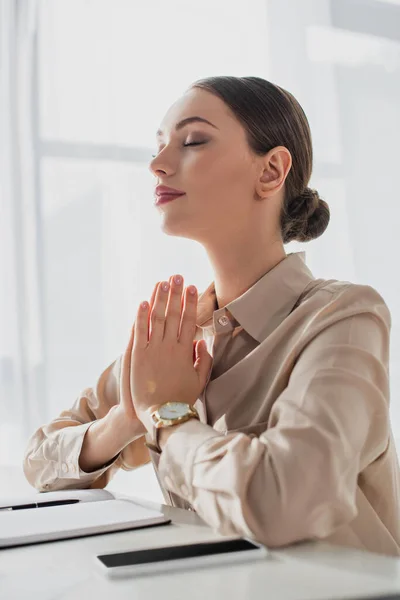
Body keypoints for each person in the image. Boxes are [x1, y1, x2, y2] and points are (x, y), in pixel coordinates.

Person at [23, 76, 400, 556]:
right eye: (159, 146)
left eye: (193, 141)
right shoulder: (174, 338)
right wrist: (128, 419)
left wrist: (169, 417)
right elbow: (38, 460)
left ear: (270, 171)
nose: (158, 165)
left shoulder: (343, 318)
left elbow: (284, 501)